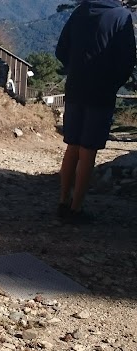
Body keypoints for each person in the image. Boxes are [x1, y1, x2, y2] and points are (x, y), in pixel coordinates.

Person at [55, 0, 136, 224]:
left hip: (75, 88)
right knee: (88, 150)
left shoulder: (81, 10)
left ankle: (63, 201)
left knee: (72, 145)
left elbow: (61, 49)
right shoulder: (121, 16)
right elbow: (128, 58)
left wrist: (75, 69)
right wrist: (113, 82)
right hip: (101, 92)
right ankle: (76, 209)